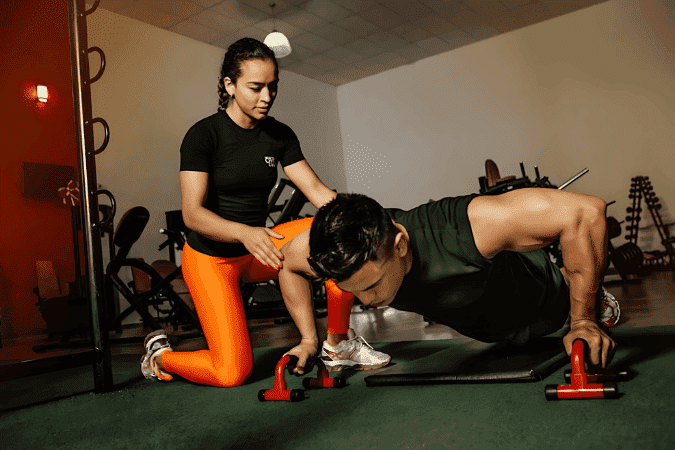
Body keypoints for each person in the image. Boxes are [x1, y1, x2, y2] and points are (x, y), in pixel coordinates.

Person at [140, 38, 390, 387]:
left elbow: (317, 192)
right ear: (229, 85)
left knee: (335, 234)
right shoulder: (203, 136)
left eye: (273, 87)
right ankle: (159, 357)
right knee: (231, 373)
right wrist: (244, 232)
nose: (267, 96)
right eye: (256, 87)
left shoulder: (278, 135)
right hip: (213, 259)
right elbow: (192, 215)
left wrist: (369, 217)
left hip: (262, 248)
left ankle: (337, 344)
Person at [277, 187, 620, 375]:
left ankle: (595, 301)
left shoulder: (467, 227)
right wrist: (309, 339)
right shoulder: (333, 249)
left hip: (547, 302)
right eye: (356, 291)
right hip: (492, 333)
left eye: (373, 286)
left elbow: (587, 212)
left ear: (400, 246)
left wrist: (584, 320)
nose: (367, 301)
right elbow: (288, 266)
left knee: (568, 307)